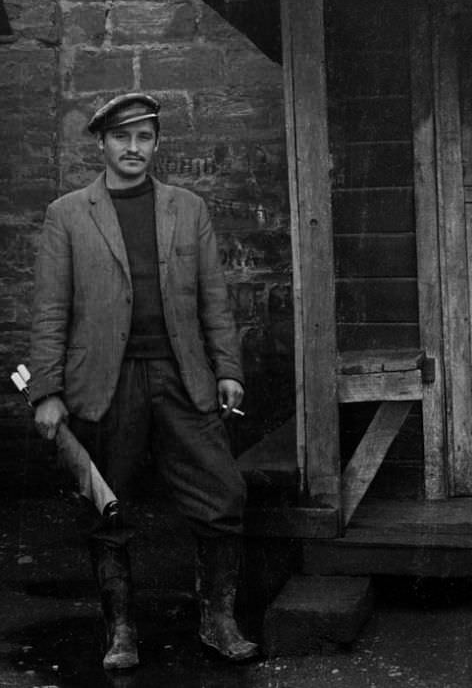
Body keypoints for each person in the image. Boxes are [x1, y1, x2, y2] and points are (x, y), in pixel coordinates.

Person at [28, 92, 257, 671]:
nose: (134, 149)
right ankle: (122, 631)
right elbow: (51, 310)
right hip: (105, 382)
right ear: (102, 143)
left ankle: (218, 621)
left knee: (223, 494)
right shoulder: (68, 214)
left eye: (145, 137)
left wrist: (227, 369)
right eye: (123, 137)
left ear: (156, 143)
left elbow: (214, 299)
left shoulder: (188, 208)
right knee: (107, 506)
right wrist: (47, 391)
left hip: (182, 377)